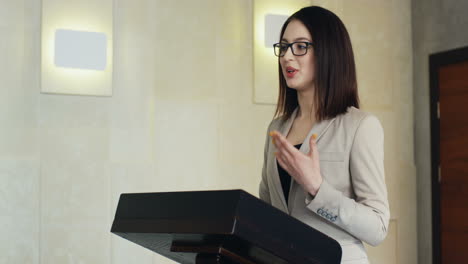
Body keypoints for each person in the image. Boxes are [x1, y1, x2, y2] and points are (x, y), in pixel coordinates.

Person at [259, 6, 390, 264]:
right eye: (283, 47)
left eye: (300, 46)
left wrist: (318, 188)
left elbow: (378, 227)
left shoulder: (361, 126)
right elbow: (266, 211)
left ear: (329, 53)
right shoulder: (276, 128)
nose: (287, 56)